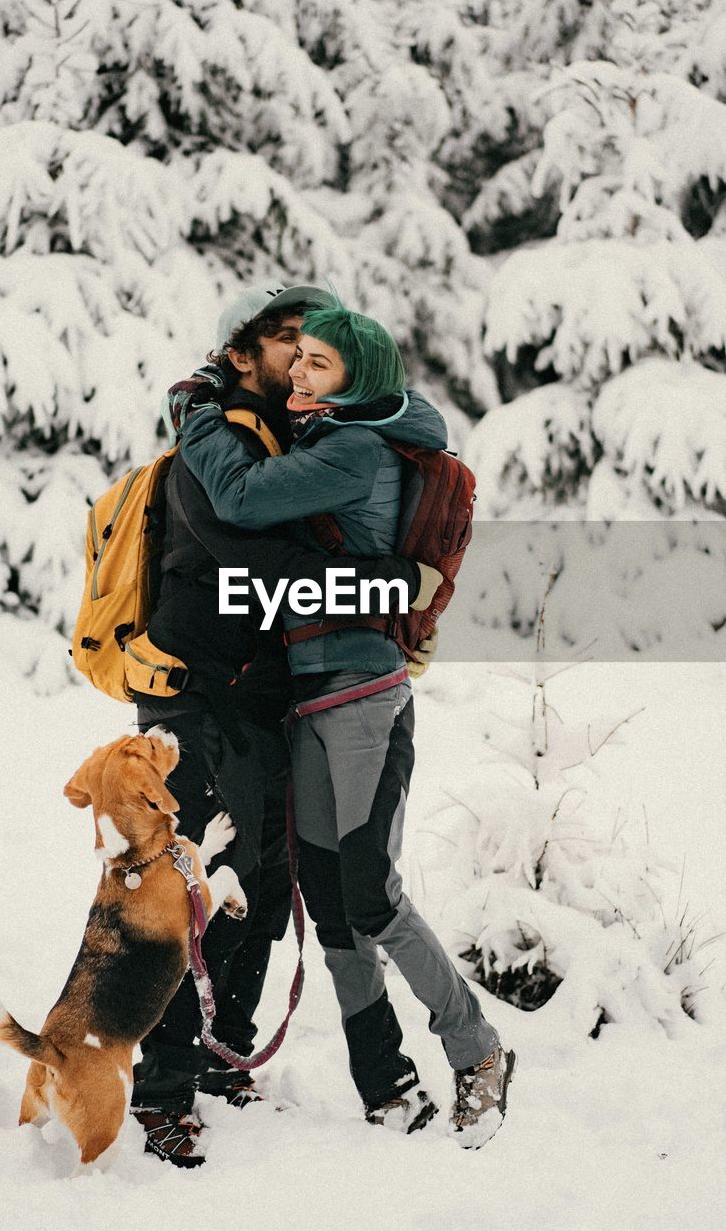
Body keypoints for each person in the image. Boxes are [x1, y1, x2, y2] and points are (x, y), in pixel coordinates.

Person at [176, 303, 516, 1148]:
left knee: (369, 892)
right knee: (331, 904)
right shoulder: (334, 435)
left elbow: (244, 496)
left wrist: (194, 410)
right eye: (295, 361)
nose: (298, 374)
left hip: (361, 694)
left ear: (357, 374)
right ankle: (386, 1089)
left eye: (317, 364)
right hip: (309, 696)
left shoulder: (355, 449)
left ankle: (476, 1050)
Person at [129, 285, 429, 1166]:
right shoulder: (211, 438)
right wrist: (379, 582)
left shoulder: (293, 436)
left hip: (262, 696)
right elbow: (248, 554)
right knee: (188, 886)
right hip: (189, 693)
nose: (299, 358)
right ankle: (162, 1091)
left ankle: (224, 1060)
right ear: (241, 352)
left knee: (257, 884)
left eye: (313, 347)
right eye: (285, 342)